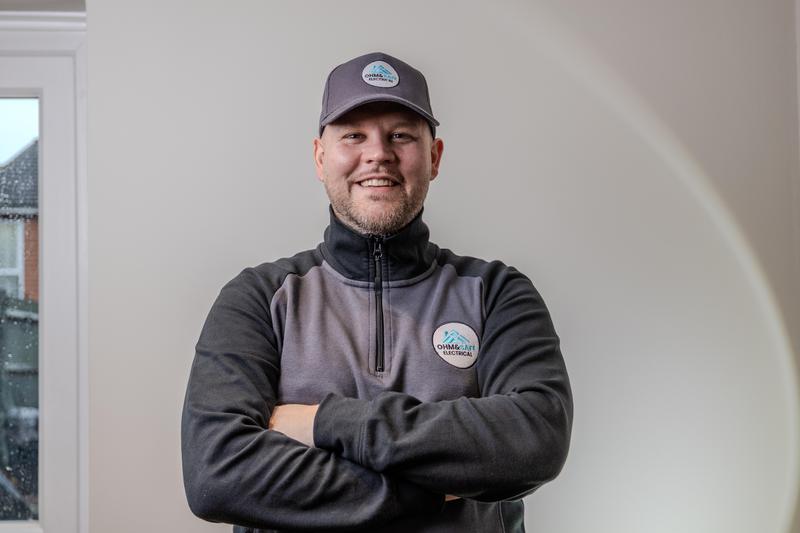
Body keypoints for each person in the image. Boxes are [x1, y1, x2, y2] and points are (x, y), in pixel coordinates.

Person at [181, 51, 573, 533]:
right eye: (353, 135)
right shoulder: (260, 298)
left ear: (434, 156)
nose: (378, 153)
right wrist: (431, 490)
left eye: (400, 135)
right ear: (320, 157)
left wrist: (322, 423)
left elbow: (536, 438)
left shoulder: (496, 294)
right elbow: (217, 474)